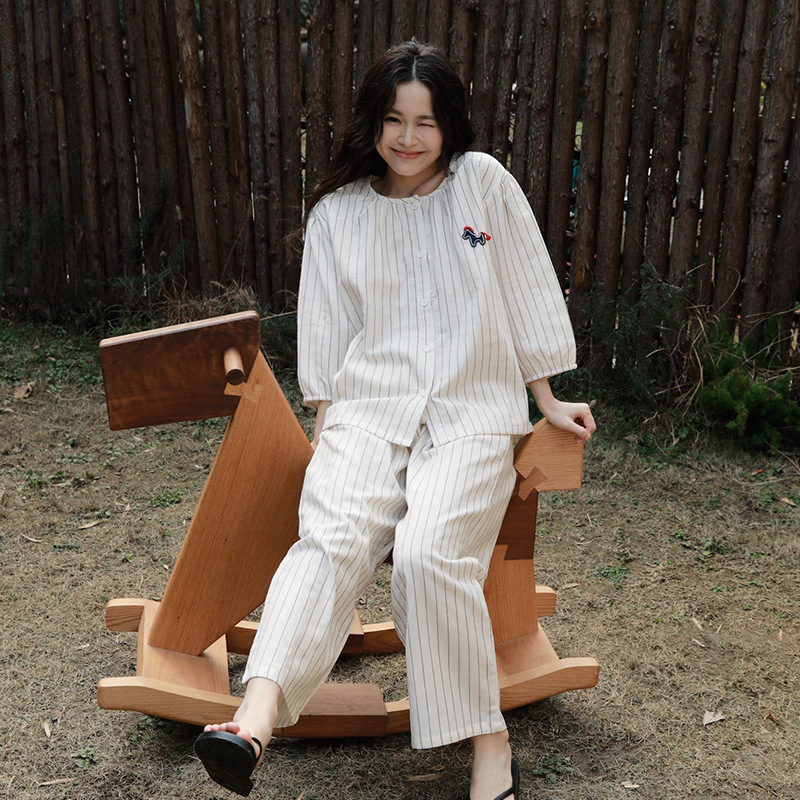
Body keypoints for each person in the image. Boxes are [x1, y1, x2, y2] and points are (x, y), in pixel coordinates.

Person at [194, 40, 596, 800]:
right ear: (372, 123)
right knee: (332, 538)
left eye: (425, 122)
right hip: (367, 413)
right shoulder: (338, 215)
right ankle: (251, 723)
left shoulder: (483, 184)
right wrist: (328, 437)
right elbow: (327, 335)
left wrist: (545, 397)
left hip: (471, 414)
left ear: (449, 125)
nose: (408, 138)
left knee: (427, 555)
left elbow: (525, 289)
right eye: (393, 120)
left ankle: (490, 746)